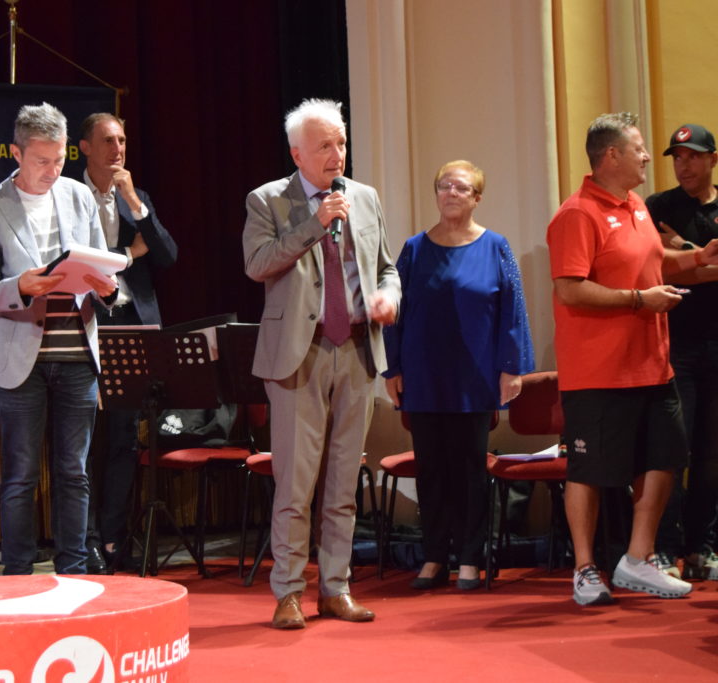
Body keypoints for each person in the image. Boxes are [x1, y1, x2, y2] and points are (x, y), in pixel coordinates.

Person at [546, 112, 718, 606]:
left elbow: (655, 263)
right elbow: (570, 289)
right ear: (611, 155)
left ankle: (638, 559)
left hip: (653, 365)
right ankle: (584, 568)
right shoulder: (577, 214)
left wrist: (698, 258)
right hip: (598, 372)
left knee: (666, 459)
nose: (647, 156)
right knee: (588, 472)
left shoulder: (637, 205)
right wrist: (640, 301)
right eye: (639, 148)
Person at [243, 98, 400, 629]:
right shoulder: (268, 199)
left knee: (343, 483)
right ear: (297, 154)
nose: (337, 155)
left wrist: (388, 296)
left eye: (342, 143)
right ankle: (289, 591)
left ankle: (336, 588)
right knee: (295, 484)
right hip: (299, 353)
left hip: (356, 349)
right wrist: (315, 222)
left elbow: (387, 268)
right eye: (325, 146)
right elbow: (258, 264)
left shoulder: (365, 197)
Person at [0, 103, 118, 576]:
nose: (53, 171)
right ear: (16, 154)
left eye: (59, 159)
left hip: (76, 355)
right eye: (41, 161)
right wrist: (20, 286)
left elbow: (102, 265)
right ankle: (17, 574)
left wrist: (109, 288)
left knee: (74, 472)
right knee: (20, 475)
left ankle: (74, 571)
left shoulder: (78, 196)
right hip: (18, 360)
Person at [383, 160, 534, 591]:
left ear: (477, 198)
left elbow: (513, 309)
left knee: (469, 468)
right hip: (423, 374)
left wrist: (512, 367)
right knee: (431, 468)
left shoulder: (496, 246)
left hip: (474, 376)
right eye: (444, 185)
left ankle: (469, 558)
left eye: (461, 187)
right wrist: (392, 367)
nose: (450, 192)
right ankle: (434, 557)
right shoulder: (414, 249)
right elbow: (395, 311)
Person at [78, 112, 178, 573]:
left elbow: (168, 254)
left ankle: (113, 540)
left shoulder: (134, 198)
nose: (117, 149)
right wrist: (127, 254)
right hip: (84, 325)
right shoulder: (68, 196)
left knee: (122, 439)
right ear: (85, 147)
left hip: (131, 328)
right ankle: (84, 542)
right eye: (107, 140)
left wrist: (135, 202)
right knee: (83, 442)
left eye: (121, 140)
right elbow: (77, 263)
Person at [646, 123, 718, 581]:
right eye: (677, 157)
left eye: (692, 156)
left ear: (713, 159)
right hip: (676, 346)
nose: (683, 165)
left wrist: (684, 250)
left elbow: (680, 264)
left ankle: (700, 547)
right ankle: (665, 549)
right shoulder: (658, 207)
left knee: (712, 455)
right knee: (676, 450)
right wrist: (699, 258)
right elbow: (659, 272)